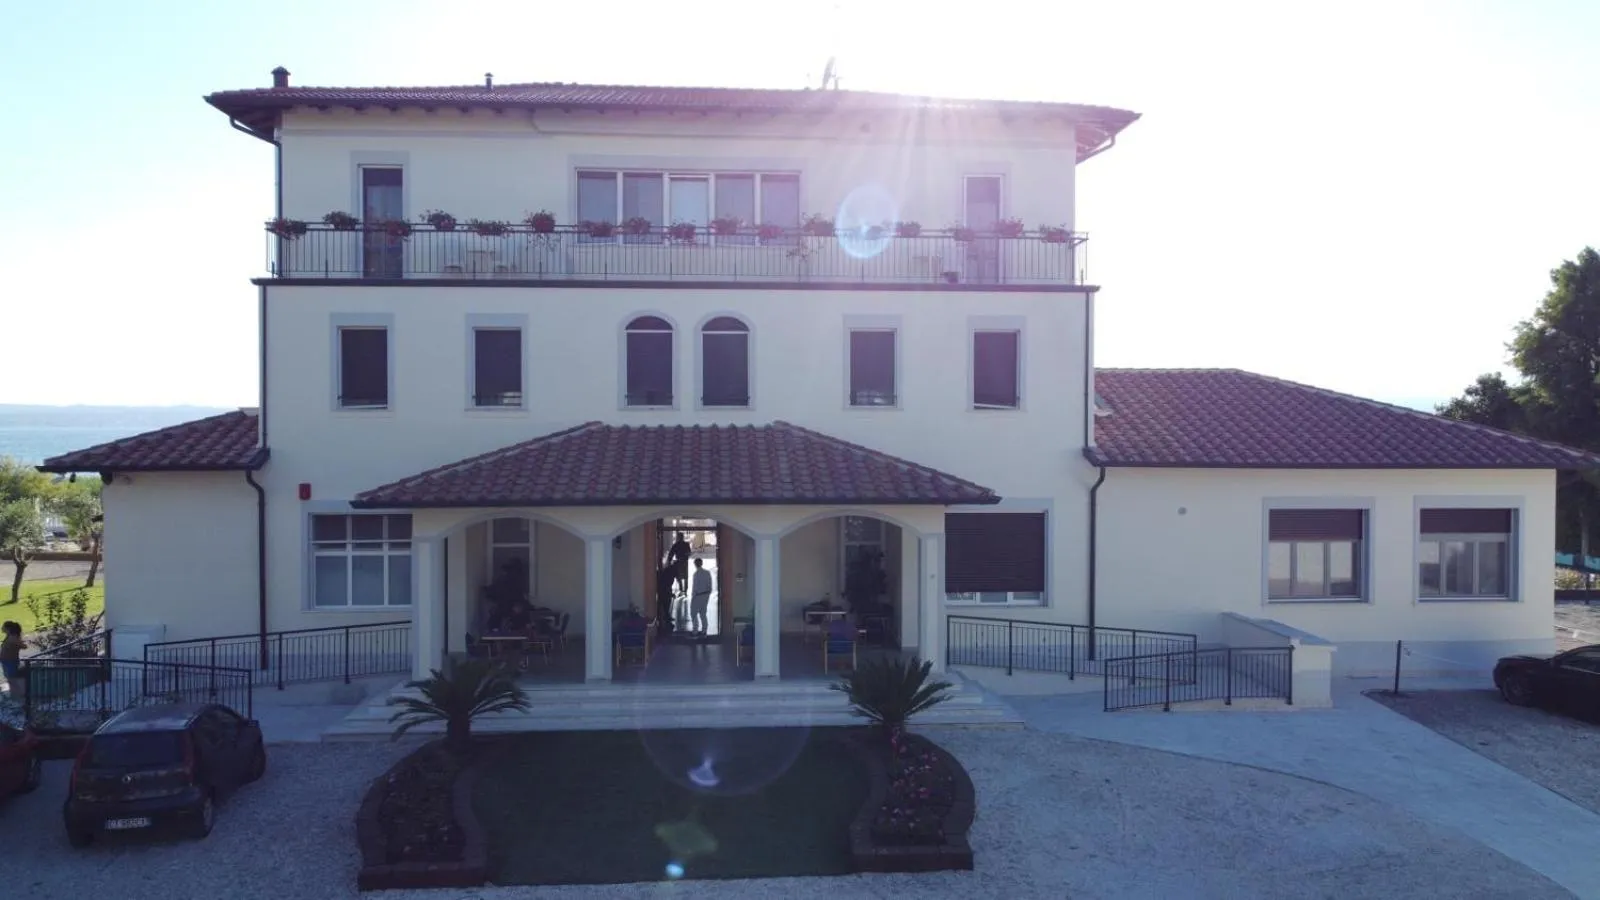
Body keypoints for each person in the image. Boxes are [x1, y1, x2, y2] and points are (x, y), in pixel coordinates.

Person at [1, 621, 26, 702]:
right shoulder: (8, 637)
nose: (1, 628)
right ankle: (15, 698)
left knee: (13, 680)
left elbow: (24, 646)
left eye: (3, 626)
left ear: (8, 628)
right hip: (6, 662)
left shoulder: (12, 637)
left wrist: (15, 644)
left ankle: (18, 699)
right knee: (10, 680)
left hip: (11, 662)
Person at [689, 557, 713, 637]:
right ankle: (704, 630)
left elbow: (695, 587)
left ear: (695, 564)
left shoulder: (696, 574)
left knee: (693, 613)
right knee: (703, 613)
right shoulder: (707, 573)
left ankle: (695, 630)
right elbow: (710, 585)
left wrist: (693, 595)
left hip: (697, 595)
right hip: (705, 595)